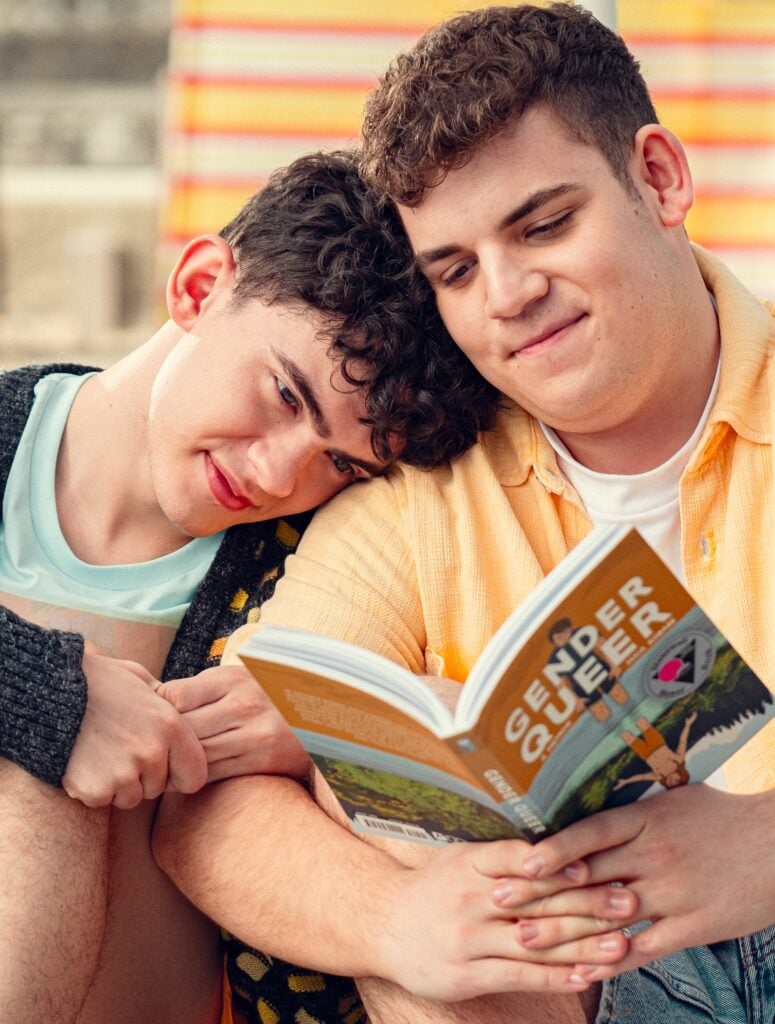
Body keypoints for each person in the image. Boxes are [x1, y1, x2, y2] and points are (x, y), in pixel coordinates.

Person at [154, 5, 775, 1024]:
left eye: (544, 225)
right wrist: (398, 917)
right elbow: (205, 808)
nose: (507, 293)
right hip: (587, 973)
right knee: (398, 825)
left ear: (658, 179)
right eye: (454, 268)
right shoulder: (418, 488)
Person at [0, 149, 498, 1024]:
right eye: (281, 392)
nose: (275, 474)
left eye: (336, 462)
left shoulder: (321, 560)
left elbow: (488, 746)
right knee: (47, 742)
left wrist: (322, 719)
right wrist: (44, 696)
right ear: (199, 287)